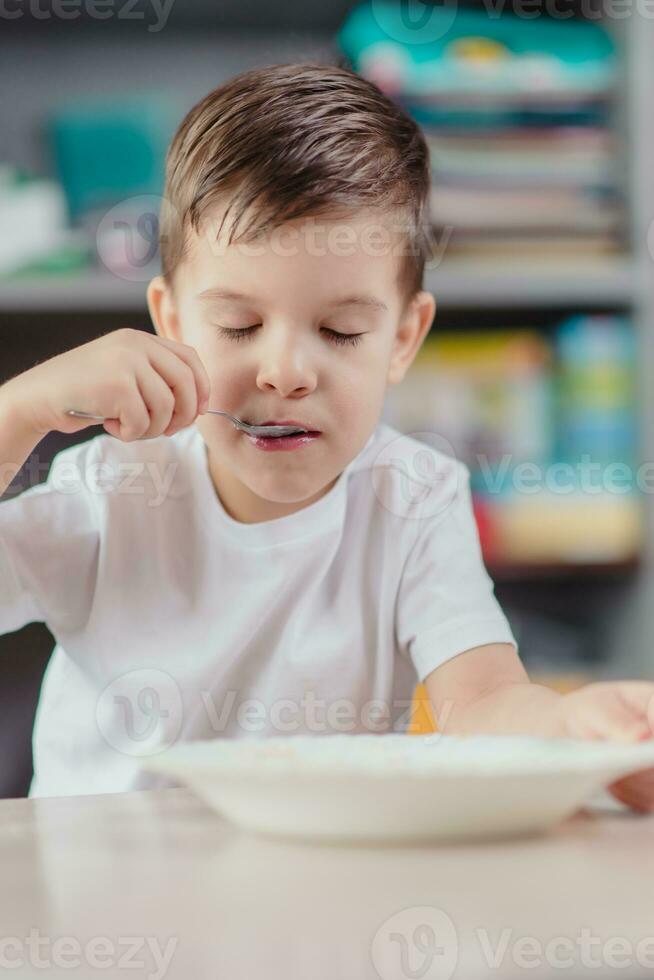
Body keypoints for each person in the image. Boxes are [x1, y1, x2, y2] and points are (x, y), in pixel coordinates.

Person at [1, 63, 653, 811]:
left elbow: (483, 708)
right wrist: (17, 411)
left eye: (341, 332)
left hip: (321, 901)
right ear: (172, 322)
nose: (284, 372)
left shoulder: (414, 500)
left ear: (403, 339)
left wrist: (576, 728)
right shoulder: (112, 488)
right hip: (102, 901)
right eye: (239, 326)